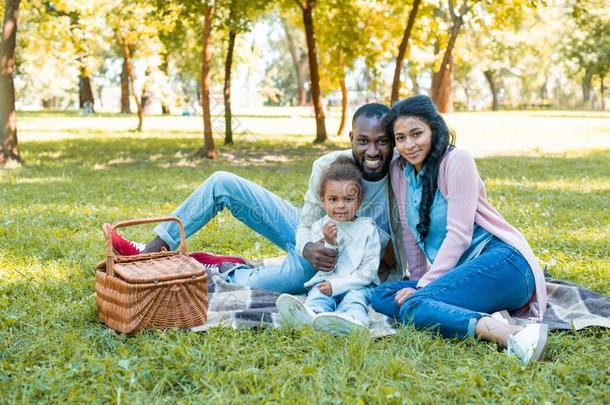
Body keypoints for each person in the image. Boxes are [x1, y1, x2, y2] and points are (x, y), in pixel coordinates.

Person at [109, 103, 406, 294]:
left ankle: (224, 266)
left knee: (268, 286)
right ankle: (149, 252)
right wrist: (308, 246)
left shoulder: (402, 177)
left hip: (340, 263)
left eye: (381, 142)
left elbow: (398, 252)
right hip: (313, 240)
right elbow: (306, 221)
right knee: (222, 182)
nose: (372, 151)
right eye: (363, 141)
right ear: (350, 138)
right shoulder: (329, 167)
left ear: (392, 142)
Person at [371, 95, 548, 364]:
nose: (409, 145)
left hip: (505, 263)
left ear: (434, 128)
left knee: (413, 304)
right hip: (461, 273)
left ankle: (512, 335)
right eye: (401, 138)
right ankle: (481, 314)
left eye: (416, 134)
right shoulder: (399, 170)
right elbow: (409, 231)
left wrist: (425, 287)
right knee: (382, 294)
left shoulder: (457, 161)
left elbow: (459, 234)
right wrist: (419, 280)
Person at [276, 156, 380, 335]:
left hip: (357, 283)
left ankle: (353, 321)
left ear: (359, 200)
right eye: (333, 199)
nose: (340, 205)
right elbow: (327, 265)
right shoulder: (320, 227)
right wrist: (330, 242)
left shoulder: (367, 228)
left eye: (348, 199)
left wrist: (339, 286)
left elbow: (368, 272)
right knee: (317, 294)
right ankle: (312, 315)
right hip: (327, 281)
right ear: (323, 200)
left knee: (355, 298)